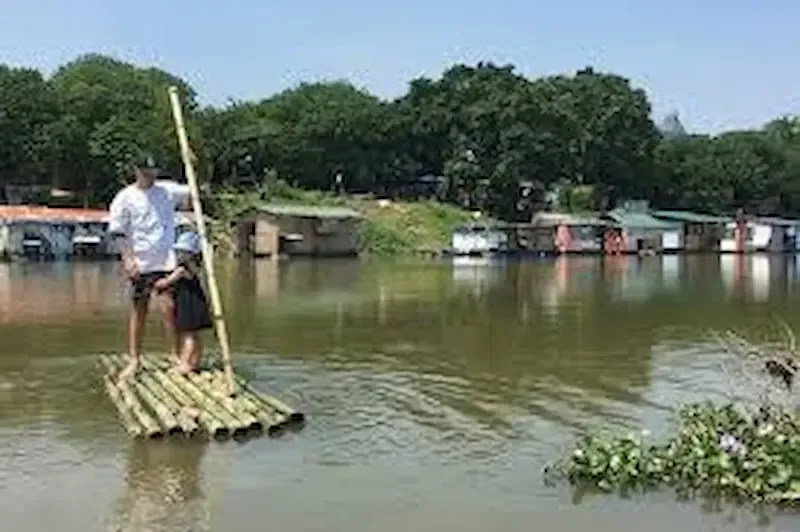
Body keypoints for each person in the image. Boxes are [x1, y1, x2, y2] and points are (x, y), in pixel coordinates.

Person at [108, 154, 190, 380]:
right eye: (146, 171)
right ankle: (135, 359)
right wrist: (127, 258)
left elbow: (196, 188)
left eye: (153, 171)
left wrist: (194, 163)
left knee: (169, 308)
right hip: (140, 262)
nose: (151, 175)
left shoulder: (167, 191)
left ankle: (175, 354)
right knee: (139, 310)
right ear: (136, 170)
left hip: (165, 261)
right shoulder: (125, 197)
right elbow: (117, 231)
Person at [153, 231, 213, 374]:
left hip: (189, 304)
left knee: (188, 335)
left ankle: (185, 363)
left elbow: (165, 283)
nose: (179, 254)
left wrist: (159, 283)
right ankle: (195, 361)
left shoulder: (182, 270)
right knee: (194, 335)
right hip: (196, 302)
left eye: (182, 252)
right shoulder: (194, 268)